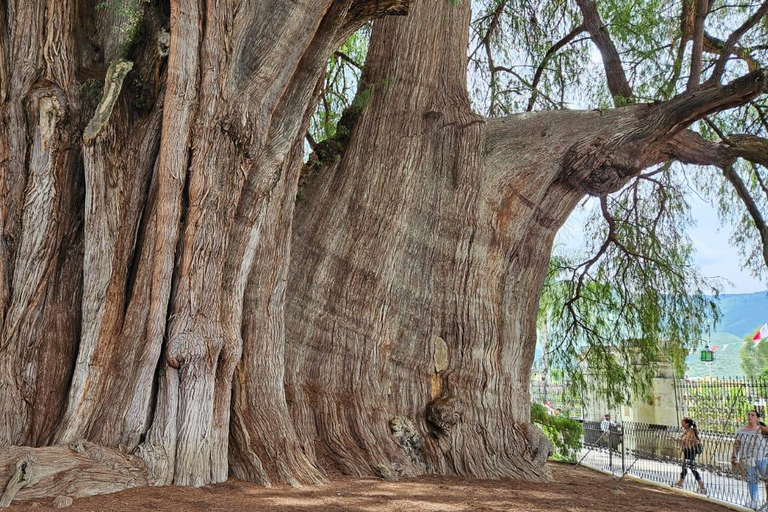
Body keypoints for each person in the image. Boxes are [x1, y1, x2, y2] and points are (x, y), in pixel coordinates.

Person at [732, 410, 768, 509]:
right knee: (751, 480)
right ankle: (754, 500)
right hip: (747, 458)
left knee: (767, 480)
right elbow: (737, 444)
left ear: (757, 418)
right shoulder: (741, 430)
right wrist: (734, 456)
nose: (750, 416)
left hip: (762, 458)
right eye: (748, 414)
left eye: (753, 415)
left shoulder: (762, 429)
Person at [673, 417, 706, 494]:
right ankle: (680, 482)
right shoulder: (686, 431)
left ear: (687, 423)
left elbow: (687, 441)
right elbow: (681, 439)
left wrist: (680, 441)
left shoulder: (691, 431)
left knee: (691, 467)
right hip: (687, 451)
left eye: (683, 422)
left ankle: (701, 484)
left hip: (691, 451)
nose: (681, 423)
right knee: (685, 466)